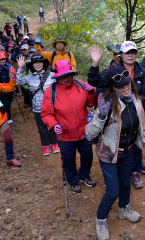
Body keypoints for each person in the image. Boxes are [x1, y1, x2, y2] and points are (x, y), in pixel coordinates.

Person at [85, 66, 145, 240]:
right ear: (112, 87)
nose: (125, 86)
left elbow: (142, 126)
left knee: (125, 184)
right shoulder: (108, 103)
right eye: (120, 85)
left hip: (128, 151)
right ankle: (101, 219)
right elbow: (89, 133)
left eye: (126, 82)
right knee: (112, 191)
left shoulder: (136, 101)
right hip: (108, 154)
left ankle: (123, 209)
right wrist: (100, 117)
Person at [89, 39, 145, 189]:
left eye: (133, 53)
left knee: (135, 142)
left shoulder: (141, 71)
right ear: (121, 55)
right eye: (127, 53)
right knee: (116, 141)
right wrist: (95, 63)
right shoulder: (113, 71)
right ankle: (115, 176)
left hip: (136, 113)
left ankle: (135, 172)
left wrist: (134, 103)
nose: (130, 56)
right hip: (115, 114)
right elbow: (95, 81)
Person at [41, 60, 97, 193]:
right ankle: (73, 180)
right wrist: (54, 125)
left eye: (68, 75)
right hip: (65, 134)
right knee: (68, 159)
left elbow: (90, 104)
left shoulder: (80, 85)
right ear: (57, 76)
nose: (66, 78)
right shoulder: (51, 91)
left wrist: (92, 93)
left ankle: (84, 175)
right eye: (63, 76)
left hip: (84, 131)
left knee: (88, 156)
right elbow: (46, 114)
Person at [17, 54, 60, 155]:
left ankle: (55, 144)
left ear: (44, 63)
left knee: (53, 125)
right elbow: (18, 82)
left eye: (40, 62)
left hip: (52, 106)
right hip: (38, 107)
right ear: (32, 65)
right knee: (42, 127)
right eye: (35, 62)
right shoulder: (29, 77)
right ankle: (46, 145)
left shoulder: (52, 75)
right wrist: (20, 68)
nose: (38, 64)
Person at [0, 52, 17, 124]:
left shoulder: (9, 67)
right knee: (6, 104)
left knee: (9, 103)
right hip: (1, 91)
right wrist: (5, 87)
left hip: (9, 89)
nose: (3, 61)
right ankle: (8, 118)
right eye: (1, 60)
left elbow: (13, 77)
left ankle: (6, 114)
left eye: (4, 59)